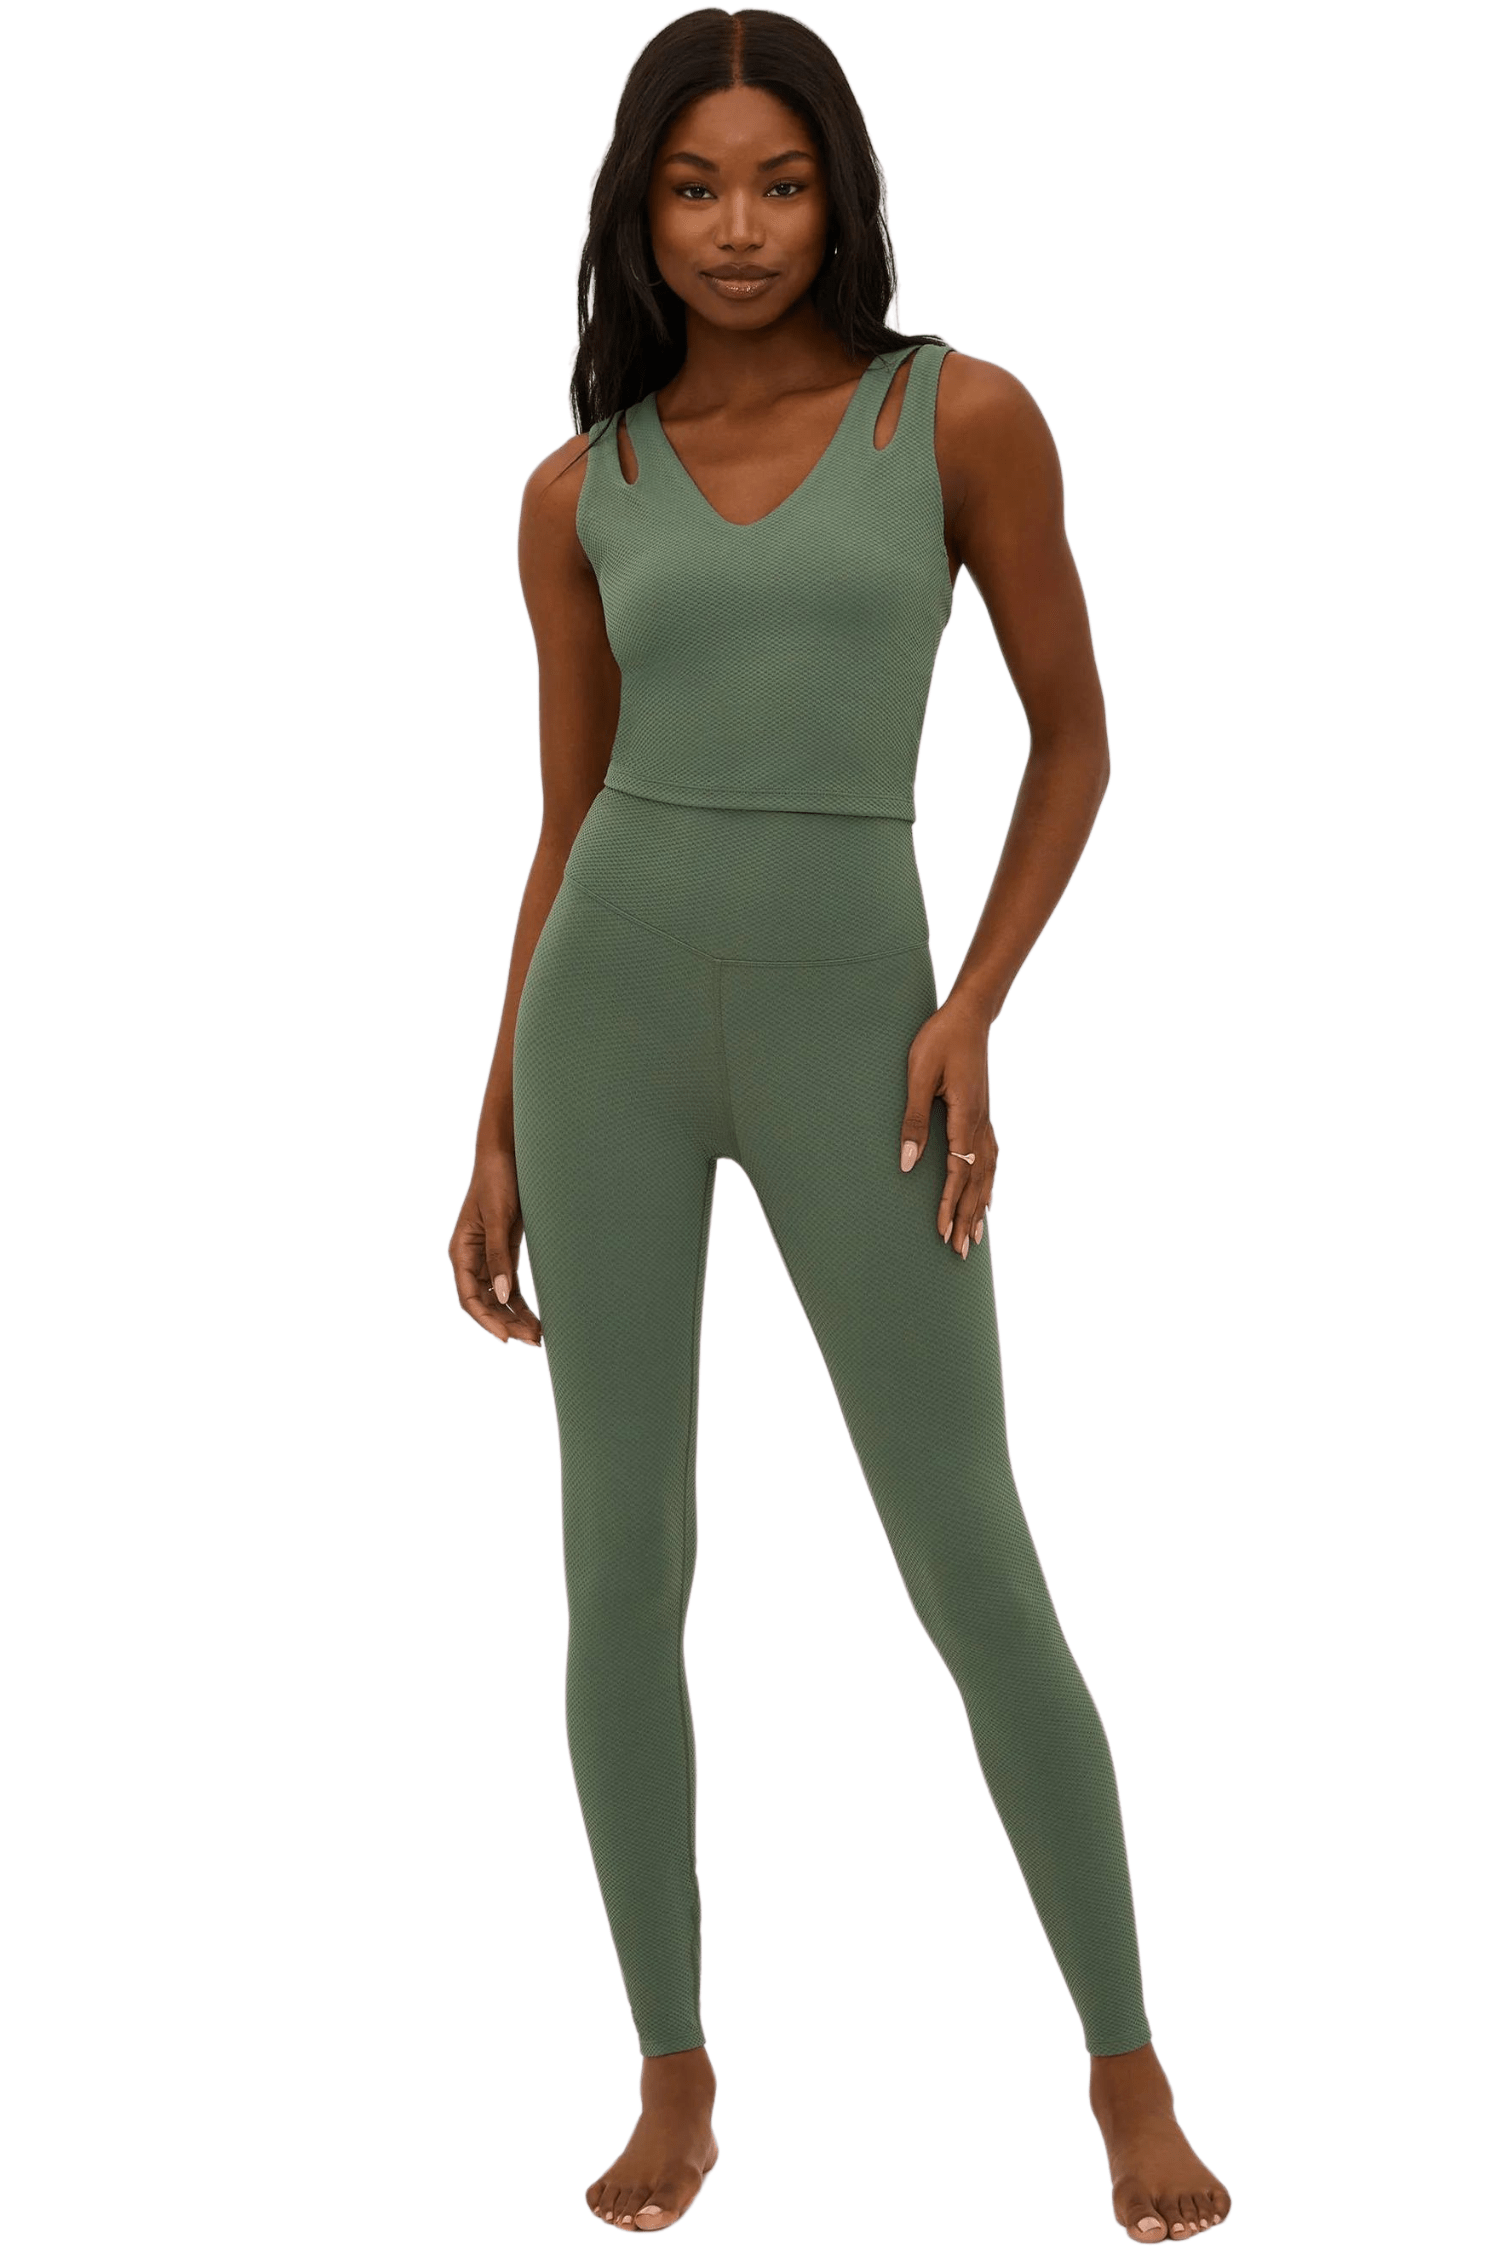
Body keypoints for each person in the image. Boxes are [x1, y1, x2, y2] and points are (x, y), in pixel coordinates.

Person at [450, 10, 1230, 2239]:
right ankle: (675, 2071)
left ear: (842, 195)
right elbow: (564, 822)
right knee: (620, 1566)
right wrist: (493, 1123)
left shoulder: (955, 416)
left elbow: (1076, 738)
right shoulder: (577, 487)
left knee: (970, 1548)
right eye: (694, 186)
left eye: (779, 183)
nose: (737, 228)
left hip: (860, 1031)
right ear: (638, 209)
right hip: (606, 1023)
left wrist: (972, 1004)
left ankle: (1129, 2067)